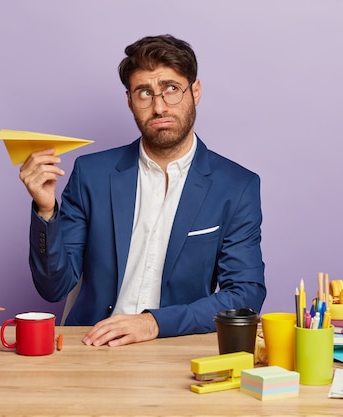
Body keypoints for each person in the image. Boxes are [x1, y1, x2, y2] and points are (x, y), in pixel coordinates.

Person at [19, 34, 266, 347]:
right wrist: (46, 211)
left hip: (175, 346)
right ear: (129, 100)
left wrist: (154, 323)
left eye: (171, 89)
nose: (159, 106)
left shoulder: (236, 186)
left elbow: (244, 295)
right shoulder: (92, 174)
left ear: (196, 92)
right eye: (144, 93)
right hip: (90, 344)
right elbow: (53, 287)